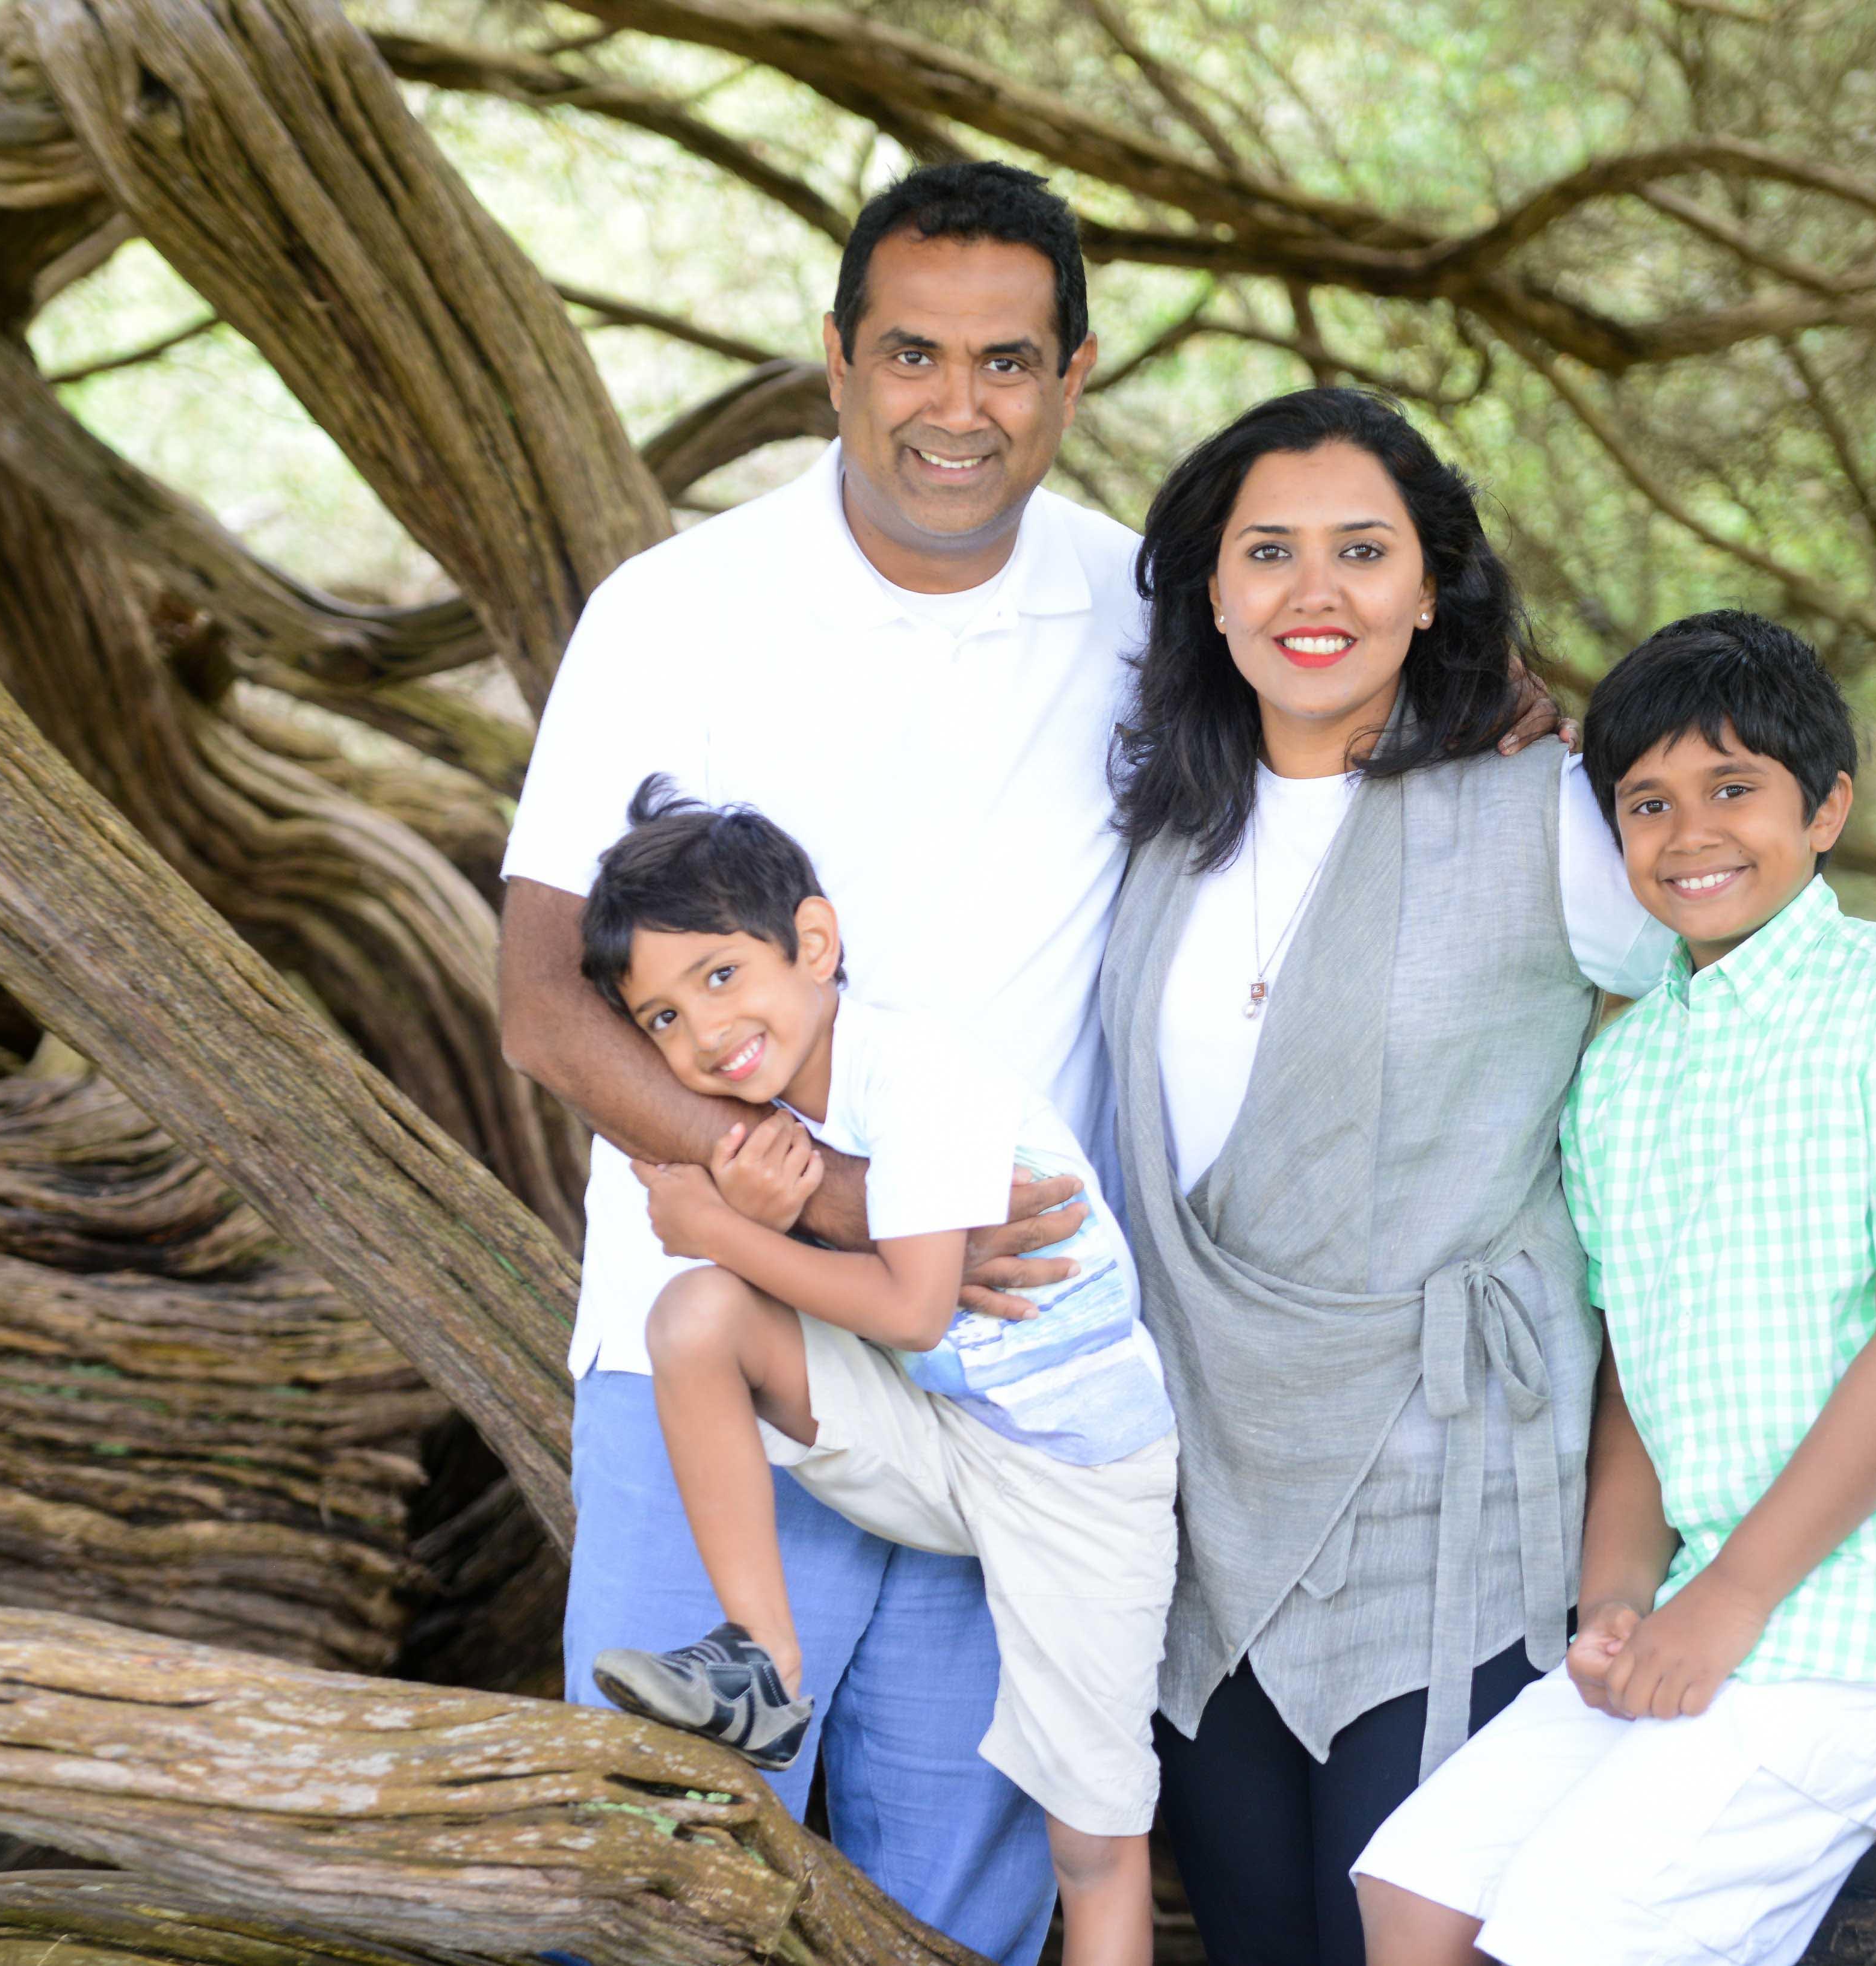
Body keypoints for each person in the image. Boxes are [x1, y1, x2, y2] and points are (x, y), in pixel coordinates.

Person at [1093, 391, 1876, 1966]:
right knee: (1292, 1927)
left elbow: (1764, 970)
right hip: (1205, 1465)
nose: (1315, 590)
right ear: (1211, 586)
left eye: (1364, 550)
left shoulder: (1541, 818)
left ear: (1434, 586)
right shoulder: (1149, 826)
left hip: (1451, 1486)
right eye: (1268, 551)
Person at [499, 159, 1141, 1962]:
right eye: (915, 355)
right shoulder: (674, 607)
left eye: (1008, 362)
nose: (961, 406)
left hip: (1001, 1388)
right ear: (838, 361)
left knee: (952, 1910)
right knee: (655, 1878)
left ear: (1074, 376)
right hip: (705, 1342)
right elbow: (547, 1001)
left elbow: (1373, 708)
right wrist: (851, 1201)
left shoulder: (1147, 612)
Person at [1349, 611, 1876, 1966]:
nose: (1691, 833)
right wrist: (1620, 1594)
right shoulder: (1625, 1077)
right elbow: (1642, 1363)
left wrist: (1732, 1600)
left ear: (1828, 809)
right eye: (1649, 802)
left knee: (1577, 1927)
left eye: (1735, 787)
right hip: (1721, 1582)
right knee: (1415, 1886)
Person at [573, 777, 1178, 1966]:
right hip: (943, 1435)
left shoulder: (920, 1072)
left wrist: (726, 1227)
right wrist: (740, 1230)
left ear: (815, 940)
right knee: (695, 1316)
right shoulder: (778, 1115)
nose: (701, 1032)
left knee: (1094, 1844)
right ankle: (763, 1661)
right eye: (659, 1018)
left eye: (720, 976)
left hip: (1076, 1477)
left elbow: (909, 1306)